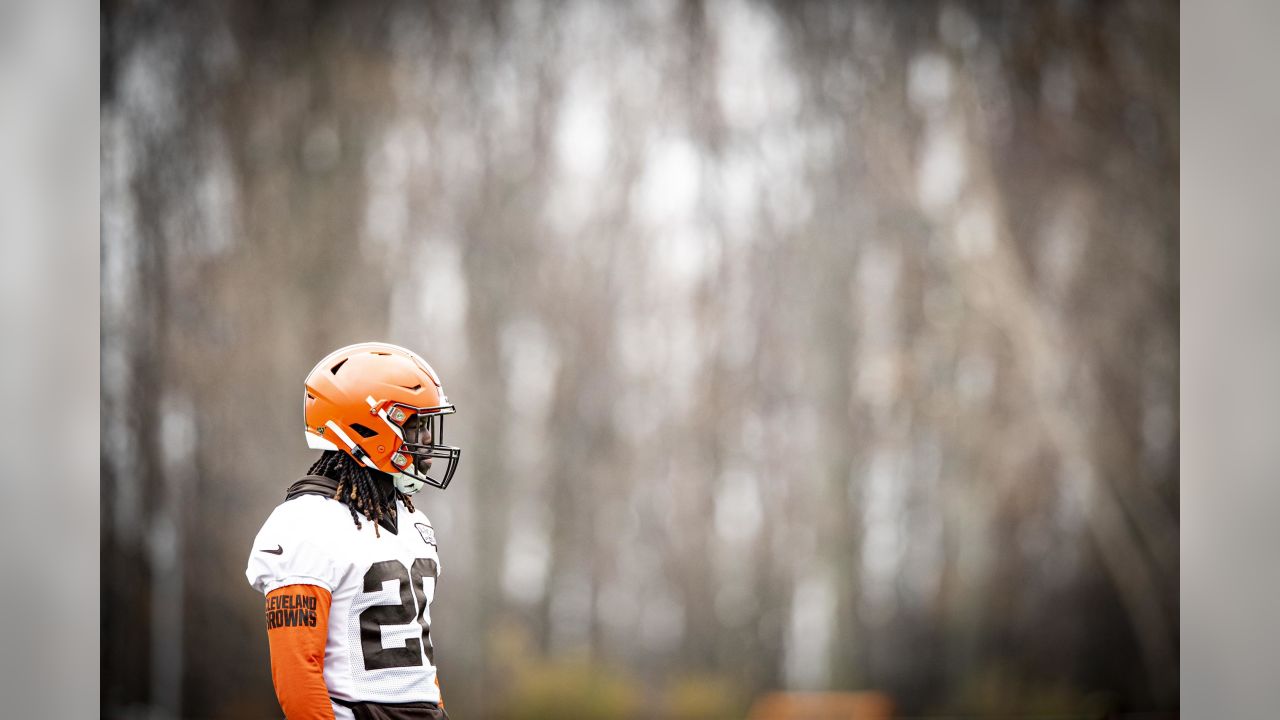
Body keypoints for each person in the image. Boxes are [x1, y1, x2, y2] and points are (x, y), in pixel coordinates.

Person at [246, 342, 462, 720]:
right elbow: (298, 673)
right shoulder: (307, 522)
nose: (427, 439)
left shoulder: (413, 520)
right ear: (368, 427)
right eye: (415, 424)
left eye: (428, 425)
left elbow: (419, 664)